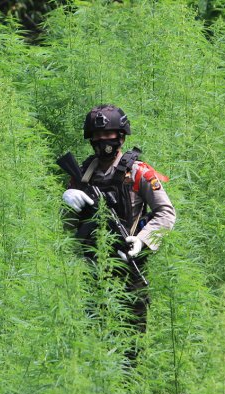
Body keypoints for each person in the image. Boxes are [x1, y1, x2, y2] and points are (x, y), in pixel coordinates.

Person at [61, 105, 176, 362]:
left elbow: (166, 213)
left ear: (122, 136)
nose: (103, 142)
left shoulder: (138, 172)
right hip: (91, 269)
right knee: (94, 338)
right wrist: (68, 203)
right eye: (97, 137)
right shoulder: (82, 175)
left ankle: (131, 392)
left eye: (110, 136)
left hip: (128, 265)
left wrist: (143, 241)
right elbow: (66, 228)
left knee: (132, 344)